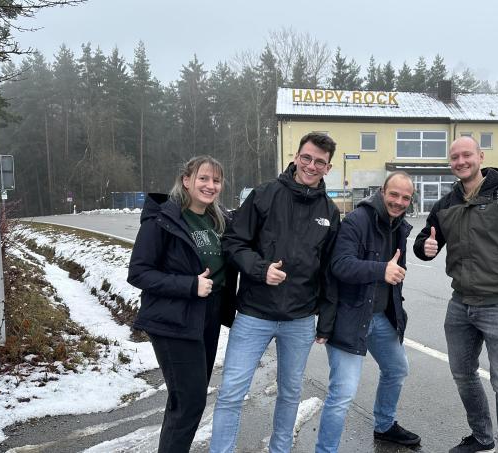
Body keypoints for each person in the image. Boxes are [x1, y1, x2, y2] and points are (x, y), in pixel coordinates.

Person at [210, 132, 340, 453]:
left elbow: (329, 272)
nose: (311, 165)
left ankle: (280, 449)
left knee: (290, 393)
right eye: (306, 158)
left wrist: (326, 320)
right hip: (254, 314)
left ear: (328, 167)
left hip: (299, 320)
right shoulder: (264, 195)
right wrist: (259, 269)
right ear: (296, 157)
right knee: (230, 393)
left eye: (319, 162)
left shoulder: (330, 212)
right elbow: (233, 243)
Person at [413, 136, 498, 453]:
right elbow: (424, 240)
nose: (461, 161)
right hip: (461, 305)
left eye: (466, 154)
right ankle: (482, 437)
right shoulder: (446, 204)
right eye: (454, 157)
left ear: (480, 156)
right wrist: (424, 249)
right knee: (463, 375)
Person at [128, 156, 234, 453]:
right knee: (189, 401)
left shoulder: (219, 219)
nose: (210, 185)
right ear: (186, 180)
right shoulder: (163, 218)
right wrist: (189, 285)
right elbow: (138, 272)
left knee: (187, 400)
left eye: (216, 180)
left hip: (207, 316)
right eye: (203, 178)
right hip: (173, 318)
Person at [316, 171, 420, 453]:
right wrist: (380, 270)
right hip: (350, 317)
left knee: (397, 369)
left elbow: (395, 276)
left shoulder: (399, 226)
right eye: (394, 195)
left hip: (380, 316)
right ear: (382, 192)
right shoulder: (357, 221)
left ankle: (384, 425)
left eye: (405, 198)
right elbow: (340, 265)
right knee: (342, 394)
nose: (399, 202)